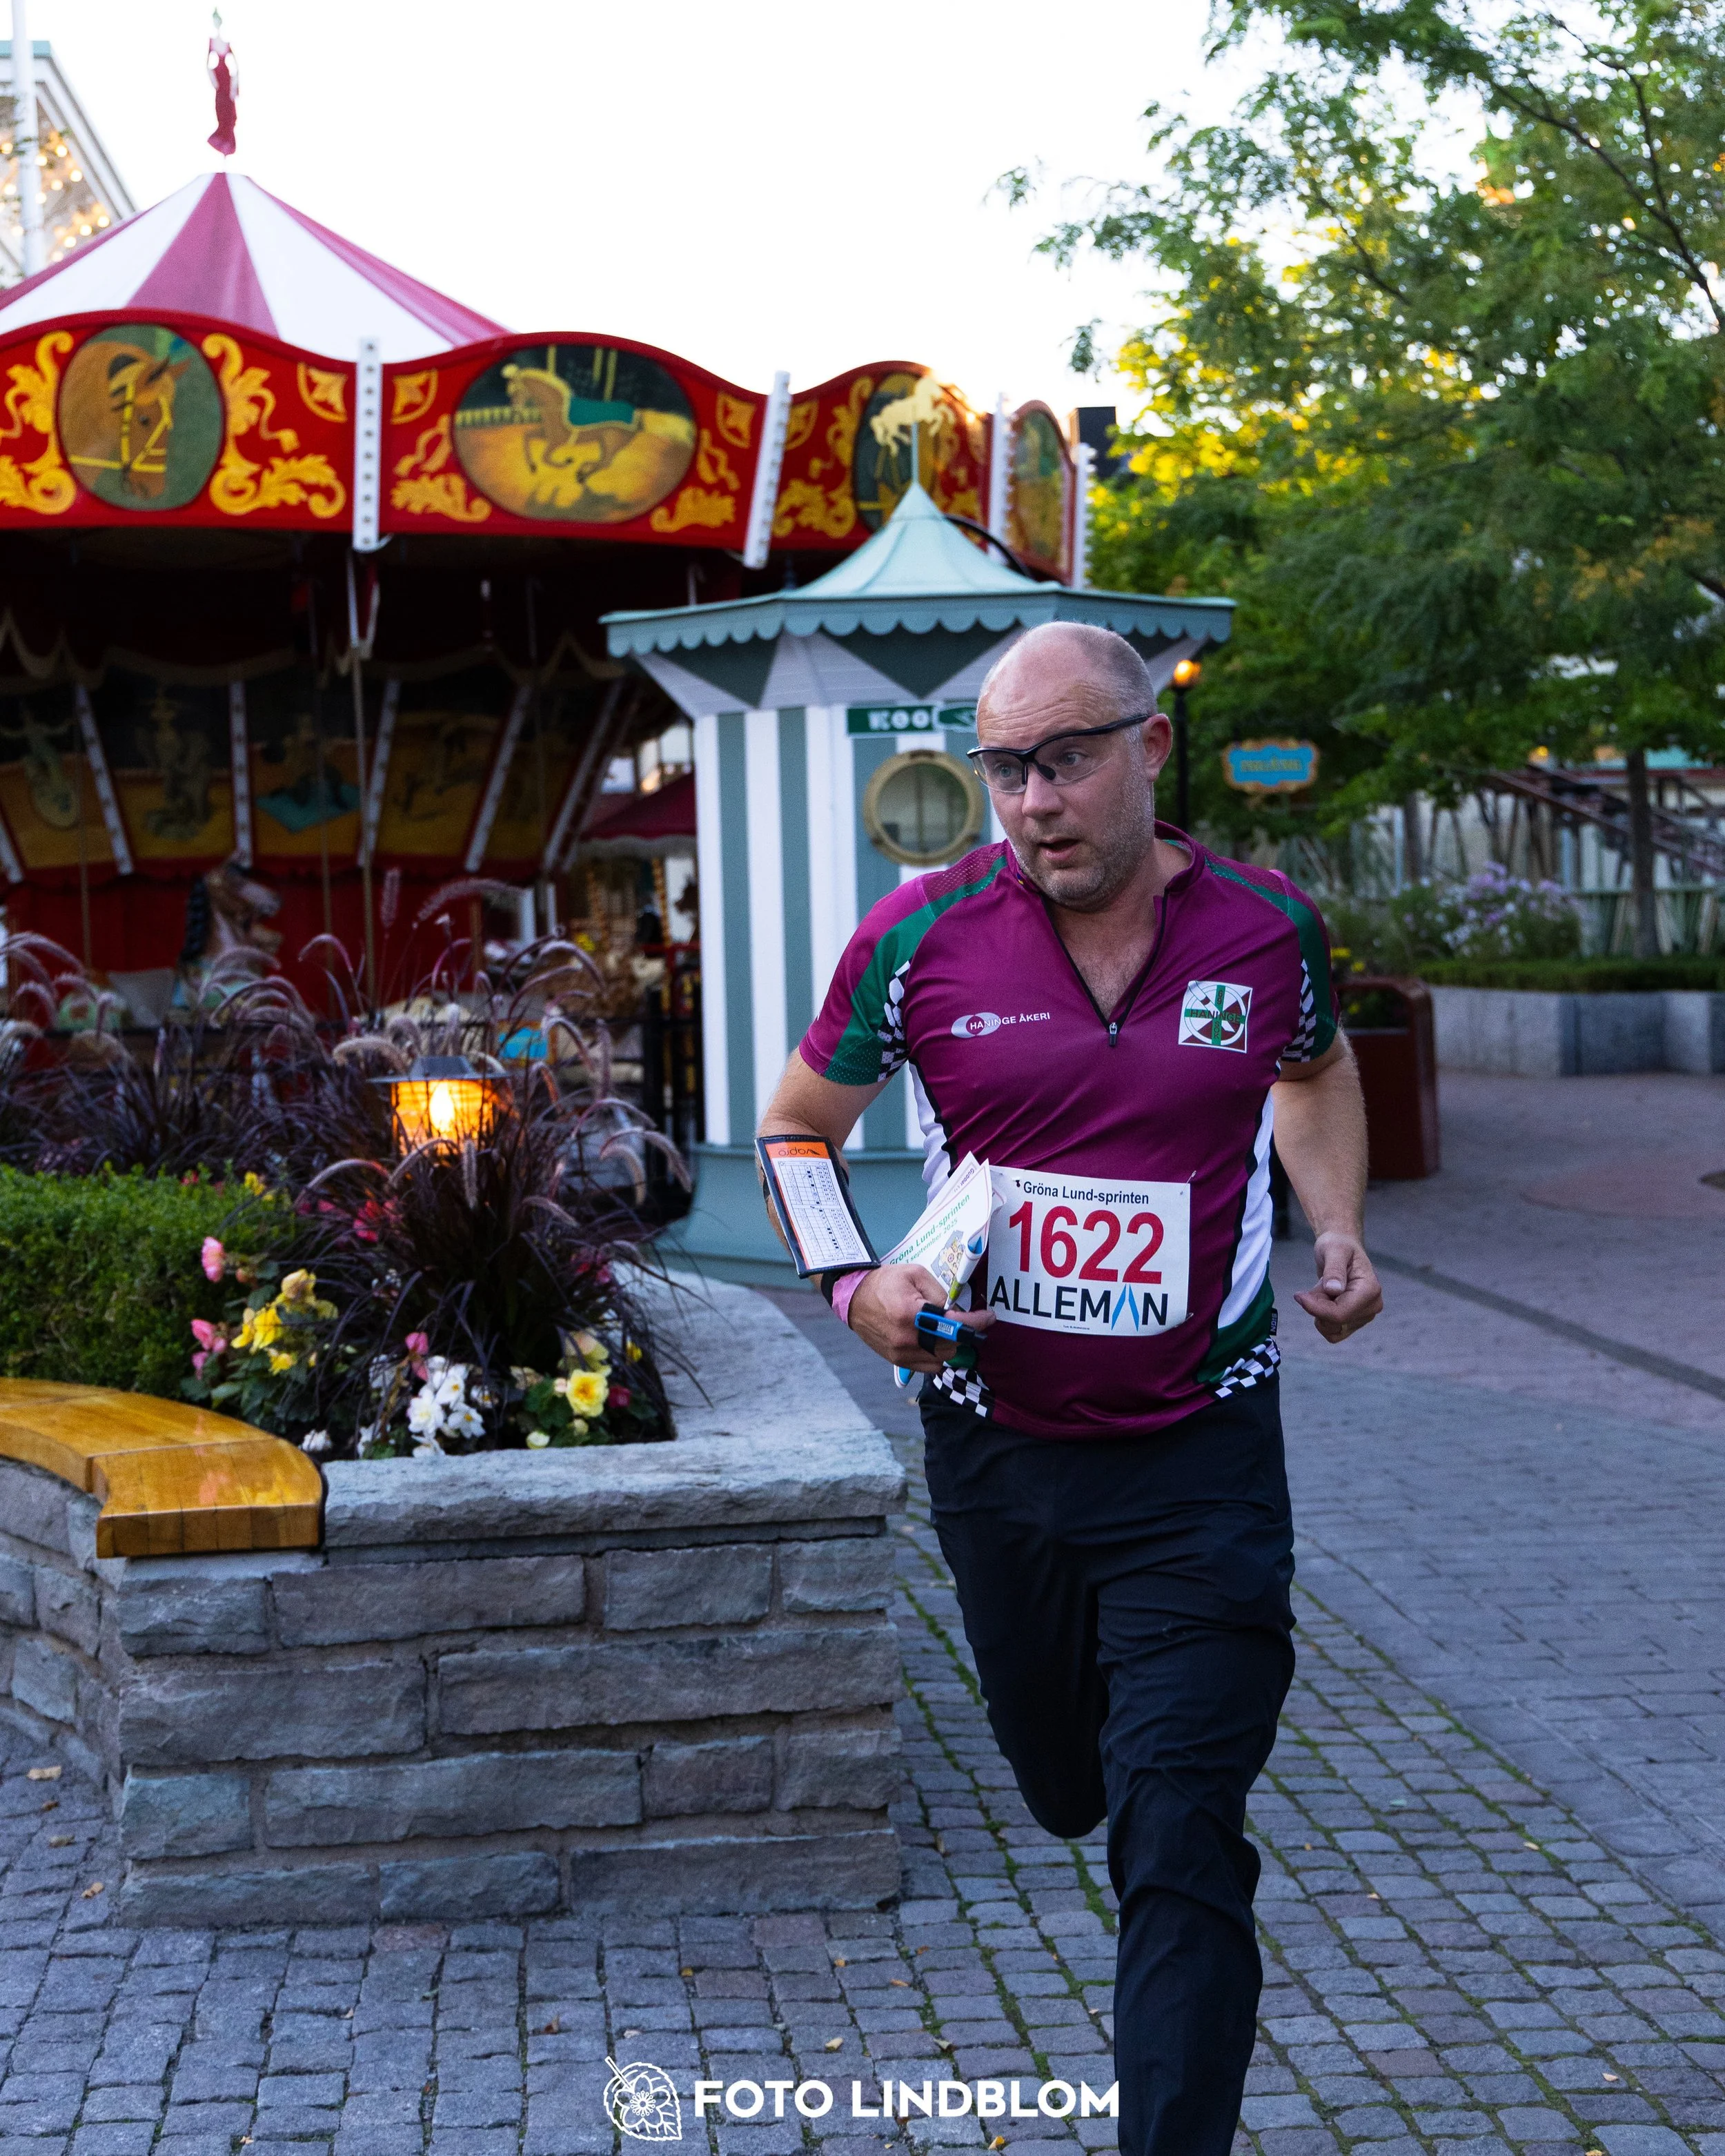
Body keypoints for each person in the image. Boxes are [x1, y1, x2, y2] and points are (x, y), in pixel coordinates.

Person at [758, 621, 1382, 2156]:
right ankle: (1084, 1734)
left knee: (1176, 1836)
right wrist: (854, 1285)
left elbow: (1310, 1070)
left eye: (1067, 758)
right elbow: (794, 1132)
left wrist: (1343, 1221)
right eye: (1005, 769)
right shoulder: (919, 935)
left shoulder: (1263, 928)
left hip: (1200, 1460)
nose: (1034, 800)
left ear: (1147, 748)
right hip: (998, 1458)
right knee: (1058, 1781)